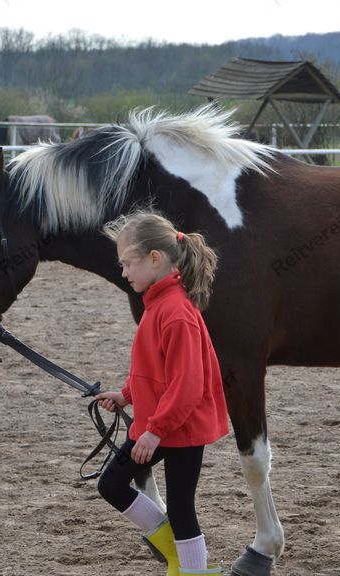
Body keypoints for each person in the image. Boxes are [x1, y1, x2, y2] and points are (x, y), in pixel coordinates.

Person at [94, 210, 230, 576]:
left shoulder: (176, 312)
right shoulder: (156, 305)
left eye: (128, 263)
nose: (124, 272)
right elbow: (154, 369)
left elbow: (188, 385)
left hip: (178, 426)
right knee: (112, 484)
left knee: (181, 505)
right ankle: (179, 557)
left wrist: (155, 430)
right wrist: (126, 395)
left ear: (154, 259)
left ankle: (191, 569)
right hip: (160, 422)